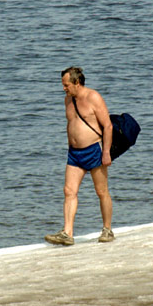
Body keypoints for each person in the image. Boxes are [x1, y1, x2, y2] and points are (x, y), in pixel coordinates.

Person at [45, 66, 115, 246]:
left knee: (101, 191)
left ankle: (107, 229)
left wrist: (106, 152)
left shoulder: (93, 97)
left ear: (77, 83)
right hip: (74, 153)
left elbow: (107, 126)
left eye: (66, 85)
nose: (63, 88)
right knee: (69, 191)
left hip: (94, 150)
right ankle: (67, 233)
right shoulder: (67, 100)